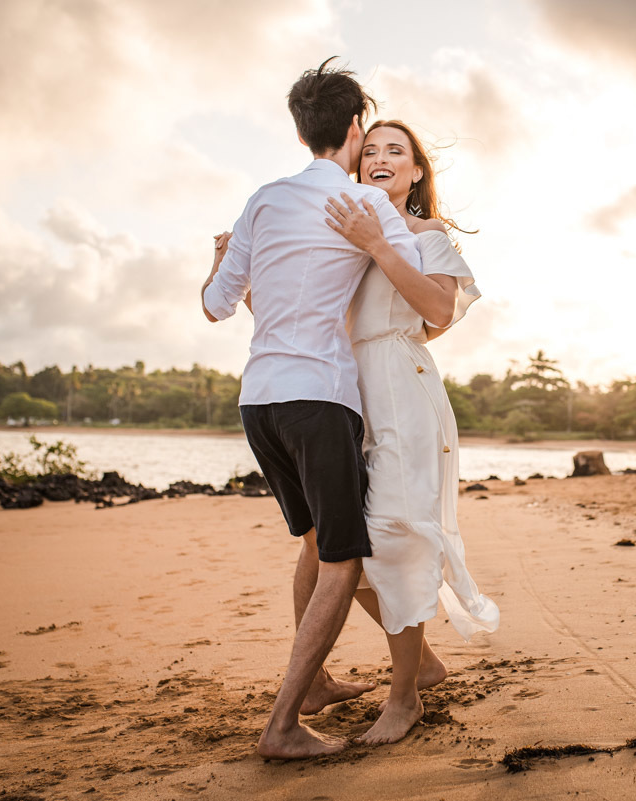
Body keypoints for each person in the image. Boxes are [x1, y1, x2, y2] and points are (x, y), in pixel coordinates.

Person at [200, 58, 422, 759]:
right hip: (319, 398)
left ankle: (317, 680)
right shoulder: (368, 206)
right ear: (357, 126)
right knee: (343, 559)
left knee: (314, 545)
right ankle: (283, 723)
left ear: (303, 133)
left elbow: (214, 302)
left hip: (257, 400)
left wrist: (223, 262)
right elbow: (420, 289)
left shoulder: (263, 199)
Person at [322, 119, 500, 744]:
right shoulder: (340, 240)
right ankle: (422, 664)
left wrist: (379, 243)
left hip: (404, 386)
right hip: (349, 393)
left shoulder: (427, 234)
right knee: (349, 547)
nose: (380, 157)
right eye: (369, 150)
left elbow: (437, 311)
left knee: (397, 536)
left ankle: (403, 700)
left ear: (416, 171)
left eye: (395, 150)